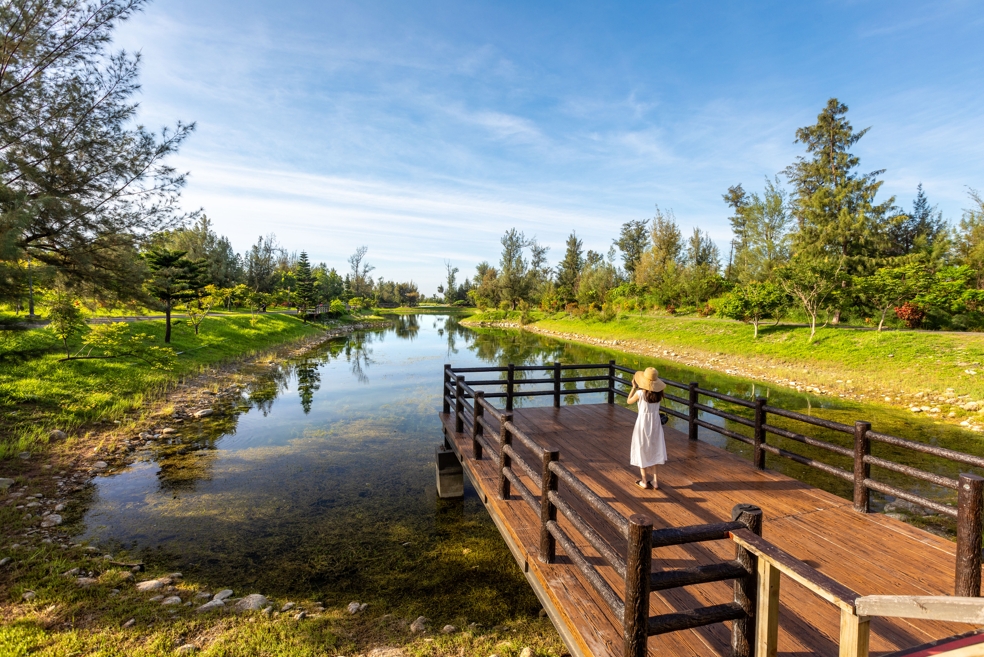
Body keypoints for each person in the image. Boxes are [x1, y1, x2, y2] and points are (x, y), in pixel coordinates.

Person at [627, 367, 667, 490]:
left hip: (643, 423)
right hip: (655, 423)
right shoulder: (659, 394)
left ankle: (644, 481)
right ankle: (655, 481)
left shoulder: (640, 394)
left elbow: (628, 401)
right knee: (654, 449)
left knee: (642, 449)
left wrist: (633, 387)